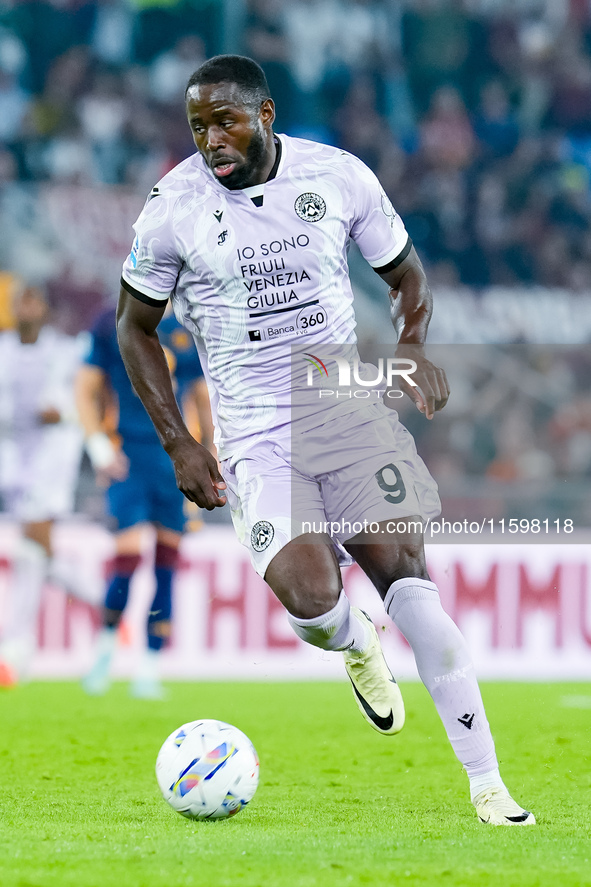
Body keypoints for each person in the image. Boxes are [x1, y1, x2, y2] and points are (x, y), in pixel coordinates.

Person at [114, 54, 535, 824]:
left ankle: (488, 786)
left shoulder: (338, 177)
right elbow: (133, 326)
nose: (212, 140)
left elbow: (405, 275)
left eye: (226, 120)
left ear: (266, 114)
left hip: (347, 416)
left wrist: (411, 346)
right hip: (254, 435)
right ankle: (350, 641)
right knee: (311, 599)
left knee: (412, 586)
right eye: (198, 125)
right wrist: (180, 441)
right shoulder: (170, 208)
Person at [77, 304, 213, 699]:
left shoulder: (187, 323)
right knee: (129, 556)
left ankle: (149, 667)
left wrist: (213, 454)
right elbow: (85, 388)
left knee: (167, 565)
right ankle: (104, 652)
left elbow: (202, 398)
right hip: (128, 456)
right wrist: (97, 444)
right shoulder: (110, 319)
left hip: (175, 463)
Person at [0, 285, 86, 685]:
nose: (26, 306)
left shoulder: (65, 352)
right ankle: (106, 604)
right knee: (36, 552)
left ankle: (17, 649)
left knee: (30, 545)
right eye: (22, 300)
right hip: (13, 459)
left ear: (46, 310)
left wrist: (64, 410)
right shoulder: (4, 350)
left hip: (52, 459)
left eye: (34, 300)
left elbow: (84, 399)